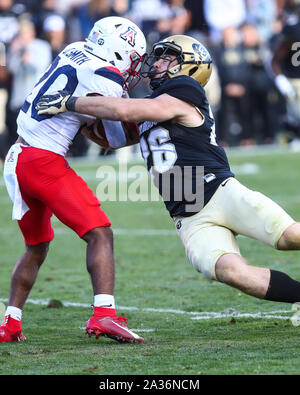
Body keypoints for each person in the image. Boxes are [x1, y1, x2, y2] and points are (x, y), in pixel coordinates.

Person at [37, 34, 300, 311]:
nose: (158, 62)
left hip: (219, 192)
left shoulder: (185, 89)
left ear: (189, 66)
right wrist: (85, 122)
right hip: (188, 216)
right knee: (232, 272)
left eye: (167, 57)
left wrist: (72, 102)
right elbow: (115, 135)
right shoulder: (155, 105)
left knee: (288, 237)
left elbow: (128, 111)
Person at [1, 16, 146, 343]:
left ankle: (10, 323)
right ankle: (104, 315)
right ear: (118, 50)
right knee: (100, 234)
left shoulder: (75, 48)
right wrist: (154, 122)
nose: (133, 68)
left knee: (36, 247)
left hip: (17, 156)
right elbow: (115, 135)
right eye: (133, 59)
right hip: (43, 160)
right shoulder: (107, 78)